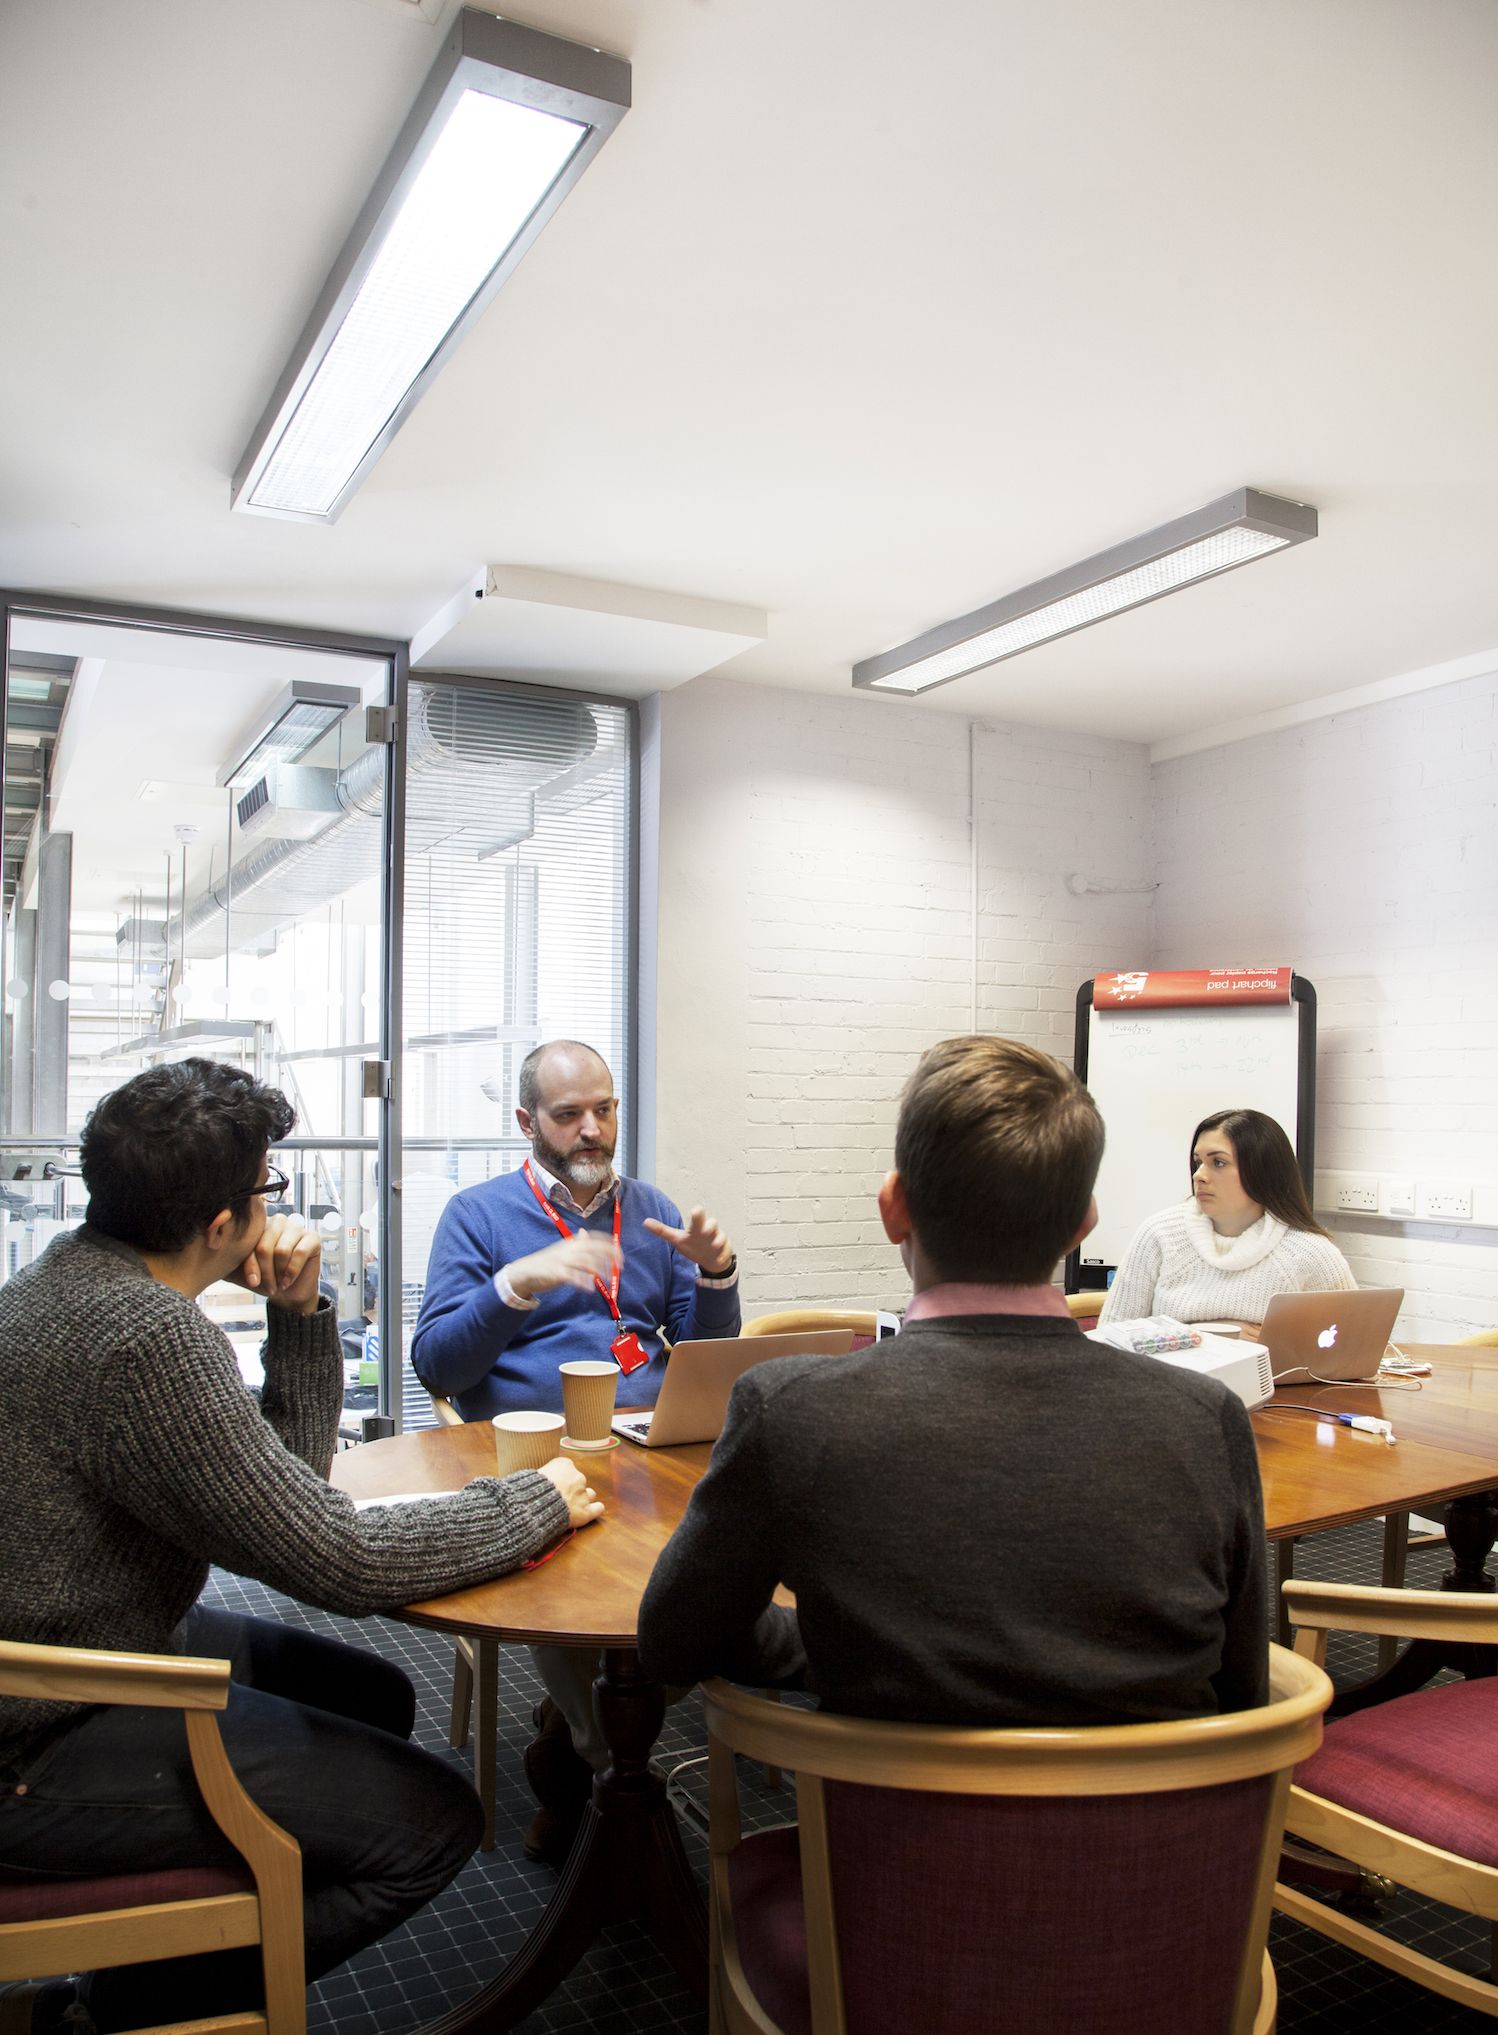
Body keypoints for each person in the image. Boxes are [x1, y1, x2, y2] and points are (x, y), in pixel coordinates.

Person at [0, 1059, 602, 2035]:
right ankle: (111, 2014)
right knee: (434, 1825)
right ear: (221, 1224)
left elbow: (281, 1490)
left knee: (378, 1696)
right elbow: (337, 1559)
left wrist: (299, 1318)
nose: (275, 1206)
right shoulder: (145, 1337)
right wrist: (532, 1503)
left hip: (91, 1642)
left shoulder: (73, 1275)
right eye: (266, 1187)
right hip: (38, 1731)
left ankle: (205, 1909)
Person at [638, 1036, 1268, 1726]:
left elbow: (675, 1642)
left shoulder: (791, 1410)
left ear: (892, 1207)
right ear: (1083, 1224)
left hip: (885, 1801)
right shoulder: (1206, 1417)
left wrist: (836, 1650)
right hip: (1167, 1800)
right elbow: (1242, 1688)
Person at [411, 1038, 741, 1861]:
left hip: (645, 1449)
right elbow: (438, 1364)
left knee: (720, 1577)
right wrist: (517, 1284)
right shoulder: (479, 1215)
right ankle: (609, 1766)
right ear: (528, 1122)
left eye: (604, 1108)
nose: (592, 1128)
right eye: (569, 1114)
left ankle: (568, 1739)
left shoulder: (650, 1207)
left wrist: (716, 1276)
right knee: (574, 1593)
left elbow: (704, 1353)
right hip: (533, 1460)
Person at [1097, 1107, 1356, 1328]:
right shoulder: (1159, 1233)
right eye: (1197, 1162)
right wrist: (1217, 1335)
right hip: (1168, 1373)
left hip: (1269, 1375)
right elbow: (1111, 1336)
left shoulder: (1311, 1253)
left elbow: (1352, 1346)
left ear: (1261, 1171)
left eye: (1218, 1163)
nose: (1199, 1175)